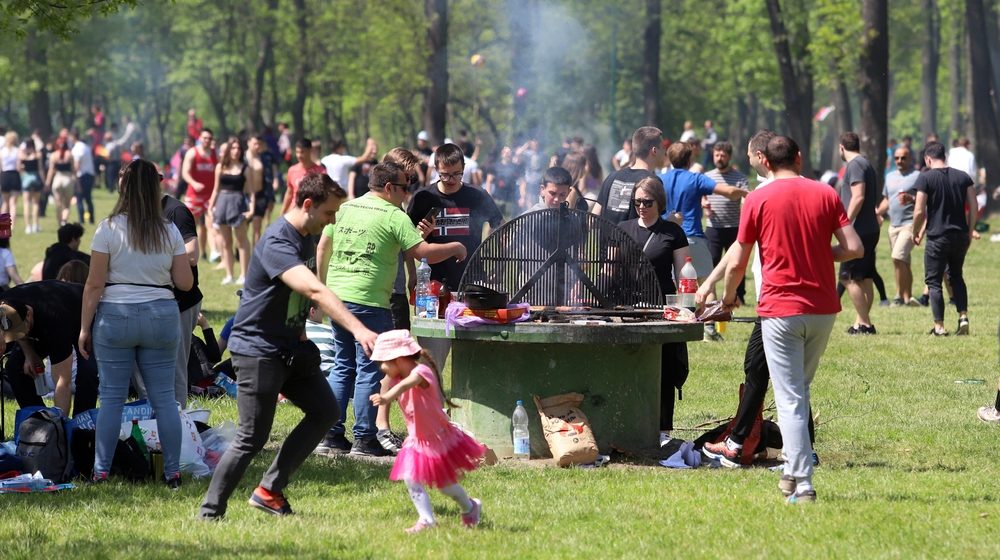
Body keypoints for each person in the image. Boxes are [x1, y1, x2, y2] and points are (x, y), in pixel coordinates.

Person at [198, 172, 377, 520]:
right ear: (307, 205)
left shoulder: (307, 237)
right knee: (253, 436)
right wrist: (359, 330)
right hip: (257, 349)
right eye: (329, 213)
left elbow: (300, 298)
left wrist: (303, 336)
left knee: (325, 411)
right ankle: (210, 512)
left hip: (290, 348)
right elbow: (313, 290)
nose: (333, 220)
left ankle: (269, 490)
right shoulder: (278, 241)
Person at [718, 135, 862, 503]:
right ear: (799, 157)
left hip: (781, 309)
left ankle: (802, 481)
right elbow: (853, 248)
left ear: (764, 161)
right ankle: (790, 476)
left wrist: (728, 296)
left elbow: (738, 259)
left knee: (791, 398)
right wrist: (819, 251)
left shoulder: (758, 199)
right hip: (823, 310)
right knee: (798, 391)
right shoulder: (826, 193)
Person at [324, 162, 467, 457]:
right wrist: (455, 247)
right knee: (368, 369)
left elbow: (325, 241)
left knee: (342, 365)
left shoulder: (346, 208)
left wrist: (320, 287)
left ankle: (332, 436)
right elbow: (421, 252)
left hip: (337, 297)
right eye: (404, 188)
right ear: (389, 188)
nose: (407, 194)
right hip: (369, 300)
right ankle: (364, 439)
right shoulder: (393, 214)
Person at [78, 158, 194, 487]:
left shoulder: (108, 228)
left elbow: (94, 284)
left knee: (112, 398)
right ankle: (171, 473)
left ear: (124, 187)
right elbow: (185, 283)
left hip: (115, 316)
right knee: (164, 399)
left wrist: (85, 327)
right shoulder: (169, 229)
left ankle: (101, 472)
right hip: (161, 314)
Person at [368, 329, 484, 533]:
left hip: (436, 438)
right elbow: (399, 385)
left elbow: (408, 384)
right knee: (411, 477)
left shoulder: (421, 372)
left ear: (399, 358)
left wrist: (386, 398)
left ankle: (470, 506)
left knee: (445, 486)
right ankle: (427, 519)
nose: (381, 367)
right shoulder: (396, 378)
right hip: (416, 440)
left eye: (384, 361)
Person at [618, 176, 690, 446]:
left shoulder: (672, 232)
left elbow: (684, 272)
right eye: (636, 202)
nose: (641, 207)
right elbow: (608, 270)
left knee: (663, 367)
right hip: (626, 307)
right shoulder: (622, 228)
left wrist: (686, 305)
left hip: (662, 306)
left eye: (647, 202)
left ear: (659, 202)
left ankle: (662, 429)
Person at [659, 141, 747, 340]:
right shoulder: (695, 179)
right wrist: (743, 192)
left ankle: (678, 325)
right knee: (707, 283)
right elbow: (727, 192)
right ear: (690, 160)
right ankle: (709, 328)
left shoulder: (660, 179)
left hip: (669, 238)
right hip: (693, 237)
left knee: (676, 284)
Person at [406, 143, 502, 293]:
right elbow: (407, 241)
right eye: (444, 174)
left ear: (464, 167)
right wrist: (412, 273)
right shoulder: (423, 198)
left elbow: (502, 228)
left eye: (457, 174)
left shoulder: (477, 195)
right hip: (433, 283)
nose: (451, 180)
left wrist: (499, 266)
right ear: (436, 168)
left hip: (472, 280)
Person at [0, 281, 99, 417]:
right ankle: (37, 419)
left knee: (88, 370)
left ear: (29, 315)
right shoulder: (5, 305)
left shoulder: (53, 319)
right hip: (43, 319)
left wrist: (59, 425)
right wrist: (30, 354)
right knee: (14, 366)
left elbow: (62, 382)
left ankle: (79, 423)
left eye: (22, 330)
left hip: (81, 315)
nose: (21, 334)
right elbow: (17, 330)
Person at [911, 141, 976, 336]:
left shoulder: (925, 178)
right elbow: (973, 206)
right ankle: (963, 316)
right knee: (956, 276)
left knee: (933, 281)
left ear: (927, 159)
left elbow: (919, 210)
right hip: (960, 235)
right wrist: (970, 231)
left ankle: (939, 327)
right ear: (944, 156)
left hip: (938, 237)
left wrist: (915, 231)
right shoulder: (964, 177)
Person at [162, 186, 204, 408]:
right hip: (155, 301)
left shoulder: (175, 211)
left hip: (181, 301)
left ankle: (179, 420)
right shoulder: (133, 213)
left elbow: (192, 254)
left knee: (176, 364)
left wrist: (155, 264)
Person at [838, 131, 881, 335]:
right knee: (865, 278)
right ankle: (860, 323)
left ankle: (865, 323)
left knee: (848, 277)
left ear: (841, 148)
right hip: (870, 228)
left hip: (858, 230)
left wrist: (844, 222)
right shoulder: (866, 163)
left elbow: (858, 196)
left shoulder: (855, 165)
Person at [703, 141, 749, 304]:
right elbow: (702, 194)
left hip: (734, 228)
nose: (719, 158)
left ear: (729, 157)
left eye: (723, 155)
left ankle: (740, 295)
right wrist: (703, 203)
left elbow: (746, 199)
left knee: (737, 263)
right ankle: (711, 296)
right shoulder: (708, 176)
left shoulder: (740, 178)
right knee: (712, 261)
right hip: (713, 227)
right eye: (717, 155)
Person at [876, 145, 922, 306]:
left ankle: (898, 296)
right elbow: (888, 200)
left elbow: (925, 200)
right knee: (904, 262)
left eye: (903, 157)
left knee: (897, 257)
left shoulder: (918, 176)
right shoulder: (889, 176)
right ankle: (908, 297)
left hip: (909, 224)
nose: (899, 161)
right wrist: (877, 213)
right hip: (893, 226)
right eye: (896, 158)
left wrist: (911, 198)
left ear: (910, 159)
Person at [592, 126, 665, 224]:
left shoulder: (612, 177)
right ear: (654, 151)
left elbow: (593, 219)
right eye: (664, 148)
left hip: (606, 239)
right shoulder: (652, 182)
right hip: (636, 239)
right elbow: (654, 224)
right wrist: (674, 221)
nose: (665, 152)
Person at [207, 138, 254, 285]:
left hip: (238, 203)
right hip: (222, 203)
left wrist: (252, 209)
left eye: (238, 148)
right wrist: (210, 206)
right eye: (233, 148)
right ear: (228, 150)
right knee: (226, 242)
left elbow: (251, 191)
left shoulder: (245, 168)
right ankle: (229, 275)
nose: (236, 151)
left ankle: (244, 275)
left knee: (242, 240)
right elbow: (216, 189)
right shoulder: (220, 166)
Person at [181, 128, 218, 261]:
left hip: (210, 195)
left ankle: (213, 251)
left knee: (210, 223)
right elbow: (185, 172)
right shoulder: (192, 153)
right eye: (204, 138)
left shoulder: (215, 154)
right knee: (192, 225)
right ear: (200, 139)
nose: (207, 140)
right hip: (194, 195)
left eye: (209, 138)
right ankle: (186, 252)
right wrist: (194, 183)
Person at [283, 138, 326, 214]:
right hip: (294, 212)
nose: (299, 155)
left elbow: (324, 195)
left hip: (312, 213)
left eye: (302, 152)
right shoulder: (292, 170)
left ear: (310, 151)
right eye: (297, 152)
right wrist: (282, 213)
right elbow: (289, 193)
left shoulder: (320, 171)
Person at [247, 135, 277, 244]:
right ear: (248, 142)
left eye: (258, 144)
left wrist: (274, 182)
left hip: (260, 194)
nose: (257, 146)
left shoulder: (262, 157)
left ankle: (256, 253)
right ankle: (239, 248)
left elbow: (270, 171)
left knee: (257, 226)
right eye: (254, 143)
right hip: (246, 196)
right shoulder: (244, 158)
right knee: (243, 227)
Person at [45, 139, 77, 226]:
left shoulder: (54, 155)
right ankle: (64, 220)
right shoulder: (70, 154)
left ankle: (59, 223)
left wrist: (47, 183)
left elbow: (51, 171)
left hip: (57, 180)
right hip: (67, 179)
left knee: (58, 204)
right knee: (67, 205)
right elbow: (74, 170)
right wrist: (77, 183)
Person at [70, 129, 96, 224]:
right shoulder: (86, 147)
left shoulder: (76, 148)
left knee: (79, 198)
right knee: (88, 198)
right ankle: (91, 219)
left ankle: (81, 220)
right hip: (89, 175)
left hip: (81, 176)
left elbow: (77, 164)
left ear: (73, 137)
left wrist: (74, 177)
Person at [18, 139, 43, 233]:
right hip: (36, 178)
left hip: (26, 180)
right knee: (36, 203)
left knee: (26, 203)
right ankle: (35, 225)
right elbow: (40, 169)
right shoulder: (37, 155)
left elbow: (20, 168)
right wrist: (44, 181)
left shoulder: (23, 156)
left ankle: (28, 226)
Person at [1, 131, 22, 221]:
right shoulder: (17, 151)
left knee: (5, 203)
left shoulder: (2, 151)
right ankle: (12, 226)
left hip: (4, 175)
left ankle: (3, 227)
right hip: (14, 175)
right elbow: (18, 166)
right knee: (13, 203)